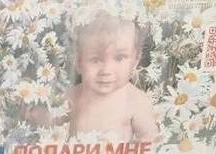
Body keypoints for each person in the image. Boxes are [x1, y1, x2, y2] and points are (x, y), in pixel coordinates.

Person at [67, 12, 159, 141]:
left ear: (135, 61)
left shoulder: (136, 101)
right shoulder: (72, 98)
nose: (106, 70)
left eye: (119, 58)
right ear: (78, 62)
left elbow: (150, 140)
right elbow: (51, 124)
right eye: (96, 60)